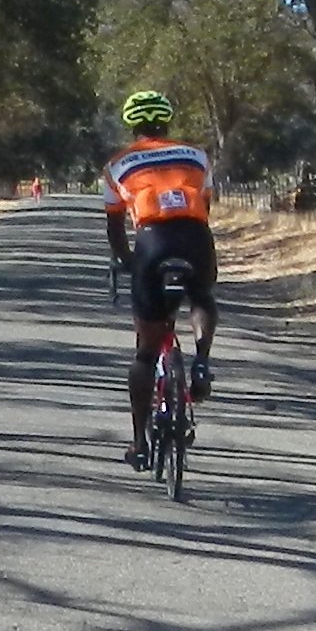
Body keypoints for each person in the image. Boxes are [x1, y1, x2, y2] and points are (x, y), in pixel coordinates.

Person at [101, 89, 217, 466]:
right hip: (196, 237)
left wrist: (128, 261)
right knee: (201, 296)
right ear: (167, 121)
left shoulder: (117, 164)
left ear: (132, 125)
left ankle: (139, 443)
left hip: (152, 241)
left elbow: (115, 227)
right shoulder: (197, 156)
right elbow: (205, 205)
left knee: (146, 352)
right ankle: (202, 360)